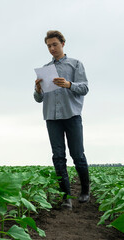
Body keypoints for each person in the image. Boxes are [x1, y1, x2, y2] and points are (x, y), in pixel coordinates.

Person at [34, 30, 90, 210]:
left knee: (78, 155)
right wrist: (38, 89)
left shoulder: (75, 65)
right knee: (58, 157)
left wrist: (68, 84)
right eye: (49, 46)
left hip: (72, 115)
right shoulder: (45, 70)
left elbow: (85, 88)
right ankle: (66, 197)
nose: (52, 48)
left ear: (63, 44)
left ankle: (85, 191)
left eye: (54, 44)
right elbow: (38, 99)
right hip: (52, 117)